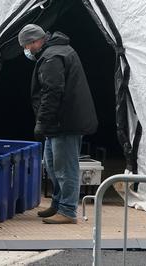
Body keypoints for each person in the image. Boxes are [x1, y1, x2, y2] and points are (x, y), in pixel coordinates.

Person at [18, 23, 98, 224]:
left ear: (35, 42)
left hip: (65, 122)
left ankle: (68, 211)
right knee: (53, 165)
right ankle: (57, 203)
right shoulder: (57, 51)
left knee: (65, 167)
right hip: (59, 123)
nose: (27, 51)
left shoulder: (52, 57)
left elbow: (52, 93)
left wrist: (41, 122)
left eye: (27, 46)